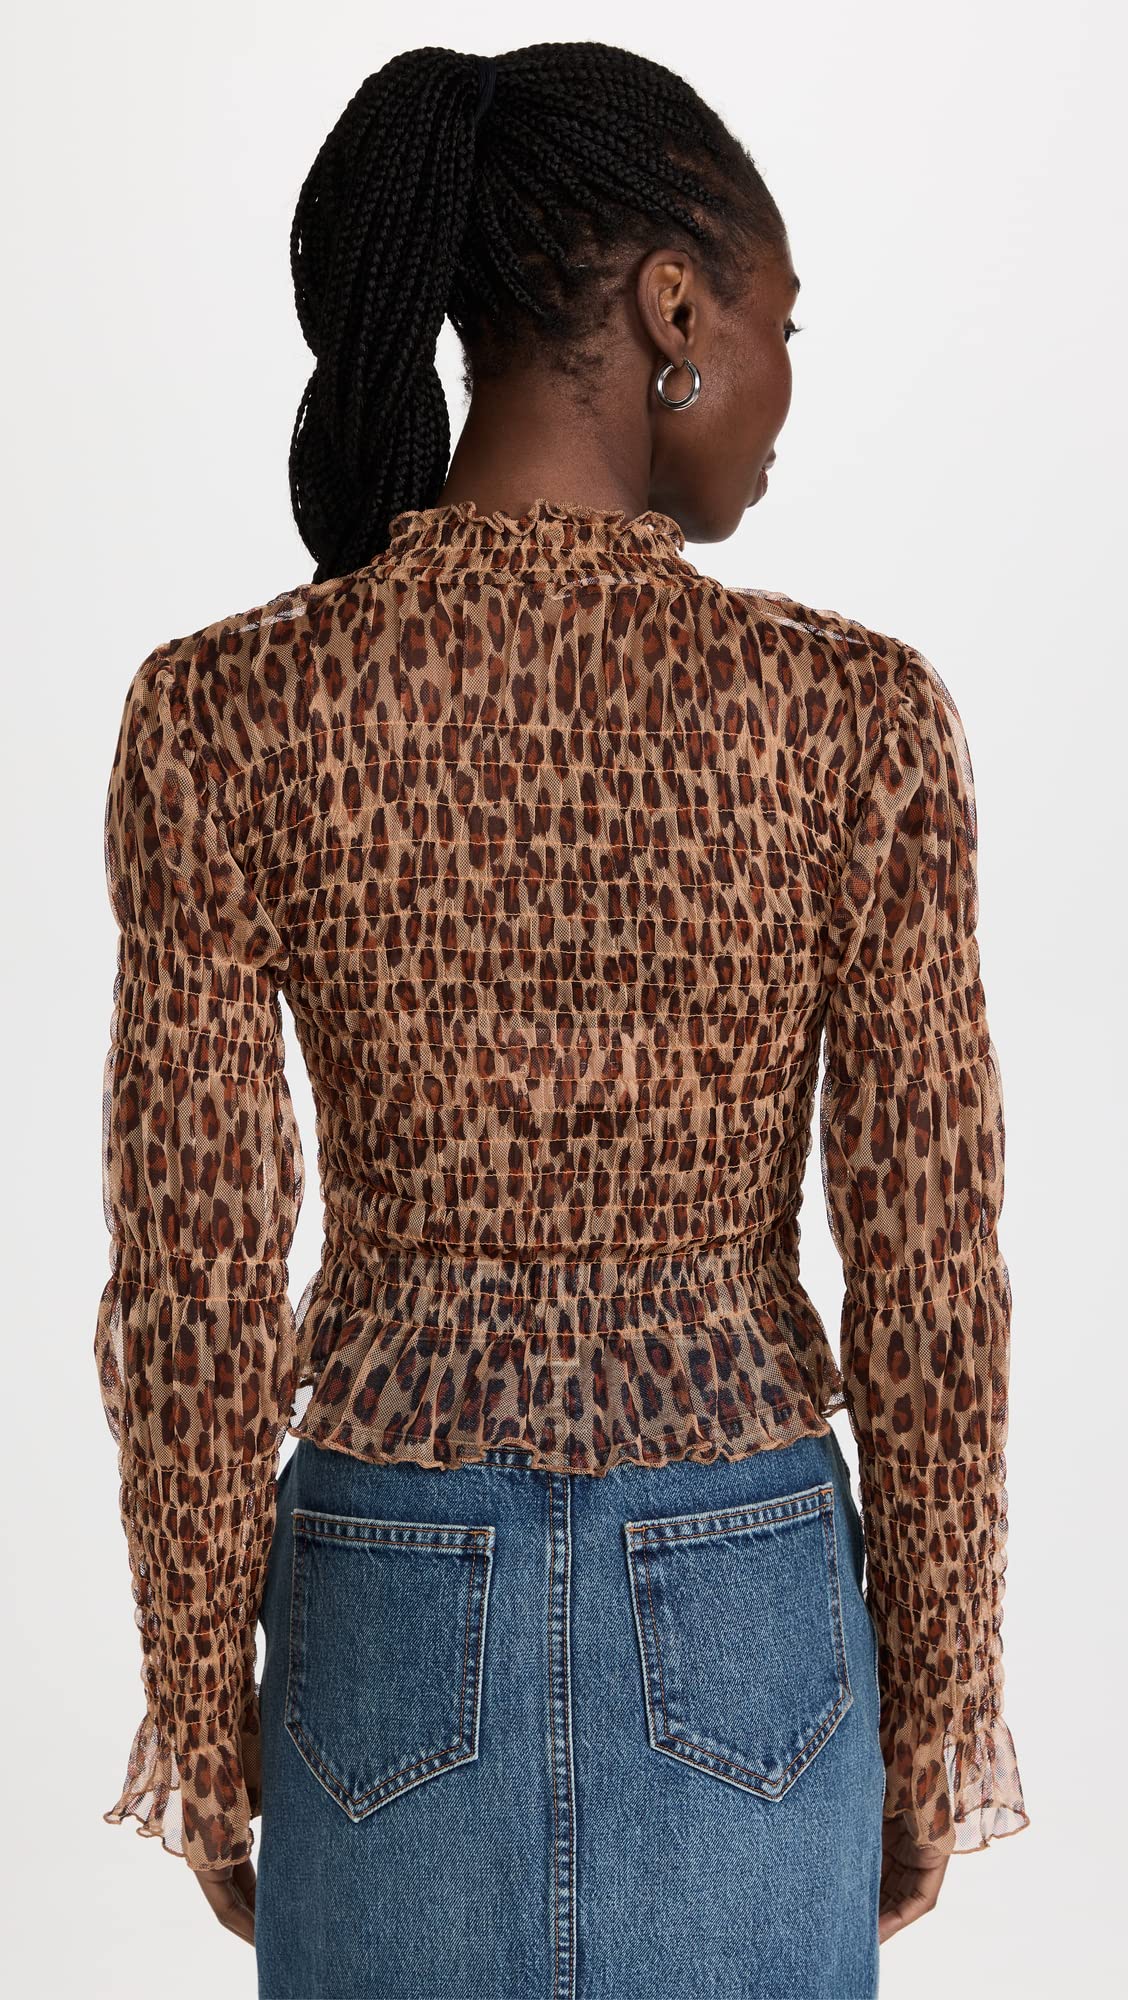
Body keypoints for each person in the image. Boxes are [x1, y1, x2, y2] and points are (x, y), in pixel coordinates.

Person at [93, 40, 1030, 1999]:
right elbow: (929, 1266)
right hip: (752, 1604)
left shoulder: (230, 713)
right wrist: (936, 1707)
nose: (784, 383)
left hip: (376, 1607)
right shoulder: (850, 719)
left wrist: (197, 1709)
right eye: (780, 324)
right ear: (674, 309)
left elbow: (195, 1267)